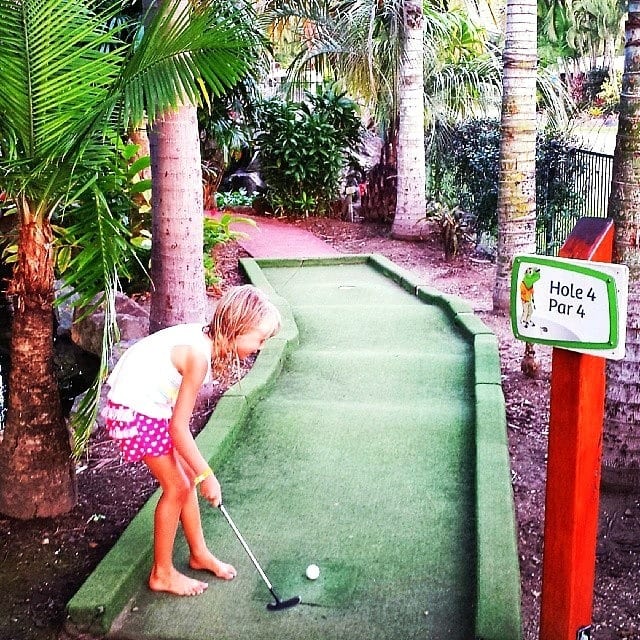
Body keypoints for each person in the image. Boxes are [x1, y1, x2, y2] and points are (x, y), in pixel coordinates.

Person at [102, 285, 282, 596]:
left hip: (150, 405)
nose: (261, 346)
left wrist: (199, 471)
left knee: (186, 477)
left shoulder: (207, 339)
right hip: (132, 410)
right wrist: (207, 475)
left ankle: (199, 554)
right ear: (237, 328)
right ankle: (162, 573)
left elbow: (177, 423)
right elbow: (178, 428)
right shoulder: (199, 357)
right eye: (260, 338)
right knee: (179, 485)